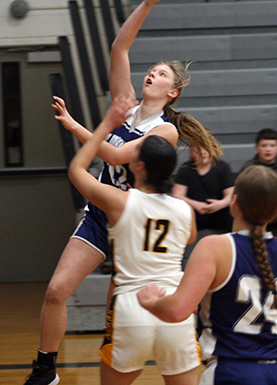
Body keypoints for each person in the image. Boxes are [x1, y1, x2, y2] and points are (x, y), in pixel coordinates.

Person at [24, 1, 220, 384]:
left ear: (173, 91)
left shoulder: (165, 130)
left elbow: (113, 154)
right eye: (151, 70)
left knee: (122, 315)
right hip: (103, 213)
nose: (151, 74)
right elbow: (120, 48)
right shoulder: (126, 105)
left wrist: (80, 127)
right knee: (55, 290)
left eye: (160, 74)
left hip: (134, 224)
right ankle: (44, 369)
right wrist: (146, 4)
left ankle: (175, 354)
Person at [68, 93, 200, 385]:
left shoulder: (120, 202)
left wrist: (105, 127)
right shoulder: (184, 211)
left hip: (132, 307)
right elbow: (189, 237)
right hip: (174, 306)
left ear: (138, 166)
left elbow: (76, 170)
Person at [138, 165, 277, 385]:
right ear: (276, 211)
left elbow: (176, 311)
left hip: (232, 371)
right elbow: (276, 311)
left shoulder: (214, 246)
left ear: (234, 204)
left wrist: (151, 302)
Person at [173, 145, 234, 269]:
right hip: (194, 226)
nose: (203, 153)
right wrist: (195, 204)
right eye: (198, 150)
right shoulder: (186, 169)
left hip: (220, 224)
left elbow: (231, 196)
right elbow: (177, 195)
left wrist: (219, 204)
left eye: (206, 149)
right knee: (190, 260)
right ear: (191, 152)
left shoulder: (222, 167)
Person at [240, 128, 277, 251]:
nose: (268, 149)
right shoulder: (248, 168)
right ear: (257, 147)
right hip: (256, 210)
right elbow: (242, 193)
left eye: (272, 145)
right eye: (264, 145)